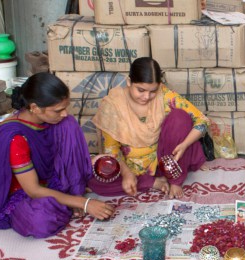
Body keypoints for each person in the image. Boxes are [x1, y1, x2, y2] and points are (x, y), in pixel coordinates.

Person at [0, 72, 114, 238]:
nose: (64, 113)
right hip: (22, 192)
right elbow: (33, 190)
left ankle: (69, 194)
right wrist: (84, 203)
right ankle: (66, 199)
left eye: (65, 107)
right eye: (58, 110)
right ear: (34, 108)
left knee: (68, 124)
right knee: (41, 221)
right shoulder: (15, 137)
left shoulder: (54, 120)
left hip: (50, 179)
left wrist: (76, 195)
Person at [88, 57, 209, 199]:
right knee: (94, 179)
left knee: (180, 118)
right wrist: (127, 174)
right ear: (129, 82)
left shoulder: (163, 95)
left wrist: (184, 145)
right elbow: (111, 151)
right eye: (141, 90)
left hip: (164, 158)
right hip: (131, 165)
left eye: (152, 91)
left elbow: (202, 120)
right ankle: (151, 182)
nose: (146, 96)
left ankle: (175, 180)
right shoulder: (113, 105)